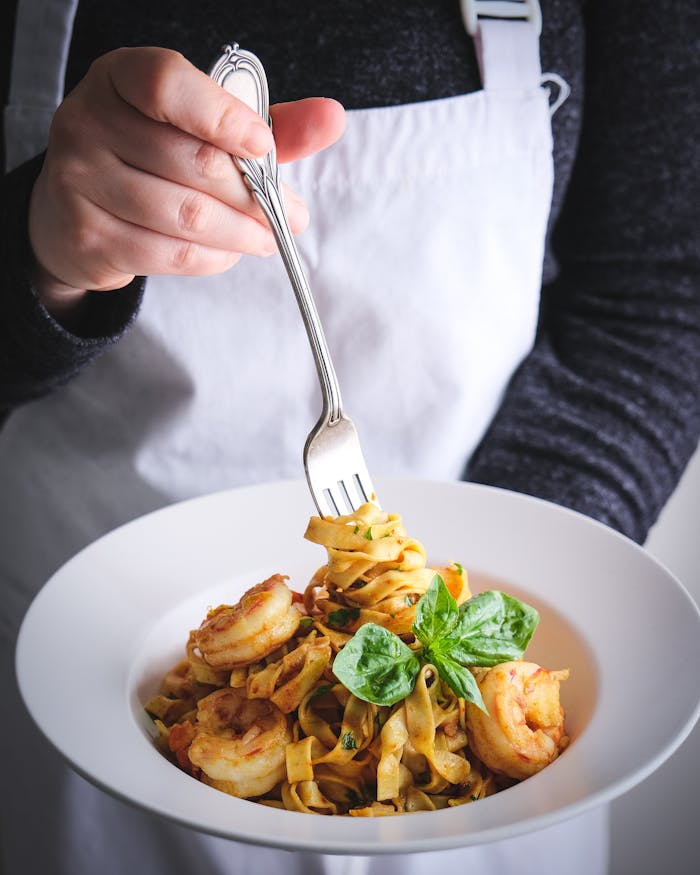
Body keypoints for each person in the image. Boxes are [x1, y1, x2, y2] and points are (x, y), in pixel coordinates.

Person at [1, 0, 698, 873]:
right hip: (90, 708)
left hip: (491, 824)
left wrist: (476, 579)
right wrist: (35, 257)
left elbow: (658, 290)